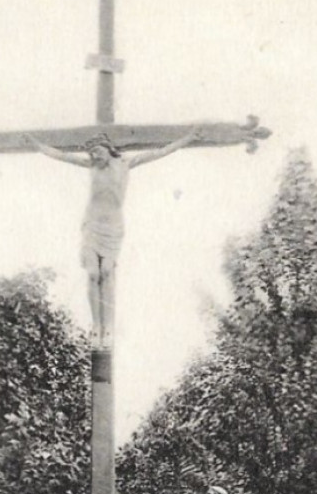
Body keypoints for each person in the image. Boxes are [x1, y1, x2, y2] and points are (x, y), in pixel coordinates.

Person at [24, 128, 201, 347]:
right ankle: (96, 326)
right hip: (92, 225)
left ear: (108, 149)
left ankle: (108, 328)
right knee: (92, 274)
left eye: (97, 151)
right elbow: (62, 156)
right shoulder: (91, 166)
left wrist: (187, 138)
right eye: (91, 154)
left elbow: (161, 152)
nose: (94, 156)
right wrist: (37, 144)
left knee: (107, 272)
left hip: (113, 228)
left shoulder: (126, 164)